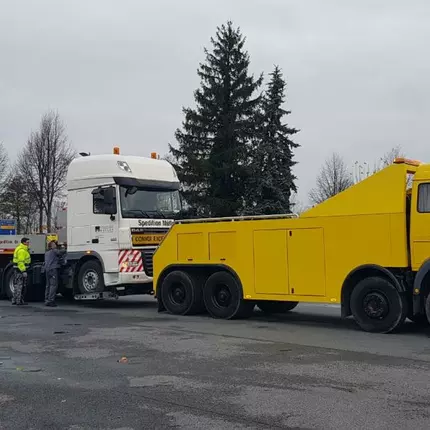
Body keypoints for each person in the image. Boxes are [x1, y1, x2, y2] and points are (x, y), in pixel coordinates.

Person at [12, 237, 31, 305]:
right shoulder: (22, 251)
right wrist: (23, 271)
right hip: (20, 270)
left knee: (17, 285)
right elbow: (20, 262)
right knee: (20, 286)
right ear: (24, 242)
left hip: (17, 270)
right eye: (27, 242)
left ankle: (14, 300)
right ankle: (18, 301)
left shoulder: (21, 249)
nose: (29, 243)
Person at [43, 240, 62, 307]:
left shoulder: (46, 252)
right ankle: (51, 300)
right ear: (51, 246)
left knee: (48, 285)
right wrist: (63, 247)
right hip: (53, 269)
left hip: (47, 269)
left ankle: (46, 300)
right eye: (54, 244)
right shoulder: (54, 251)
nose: (56, 245)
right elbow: (61, 252)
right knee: (53, 285)